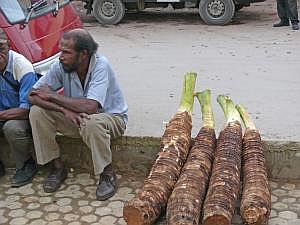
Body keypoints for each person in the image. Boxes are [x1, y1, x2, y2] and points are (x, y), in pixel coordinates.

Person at [28, 28, 128, 201]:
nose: (61, 56)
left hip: (112, 119)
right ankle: (57, 168)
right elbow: (32, 95)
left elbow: (90, 107)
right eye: (61, 51)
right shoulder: (62, 66)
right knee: (37, 112)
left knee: (91, 122)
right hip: (76, 118)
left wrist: (53, 95)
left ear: (83, 54)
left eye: (66, 52)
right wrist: (64, 111)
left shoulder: (101, 65)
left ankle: (107, 174)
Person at [0, 28, 38, 186]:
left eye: (0, 48)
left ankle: (26, 164)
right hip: (3, 113)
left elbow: (26, 110)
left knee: (12, 128)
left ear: (8, 46)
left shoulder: (22, 66)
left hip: (21, 116)